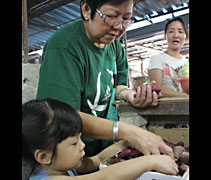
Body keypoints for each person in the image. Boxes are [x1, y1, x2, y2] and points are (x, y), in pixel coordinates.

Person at [36, 0, 173, 158]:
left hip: (101, 149)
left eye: (126, 19)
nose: (119, 26)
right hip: (69, 156)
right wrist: (130, 132)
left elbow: (119, 85)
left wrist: (129, 95)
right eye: (111, 16)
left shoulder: (114, 46)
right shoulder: (64, 46)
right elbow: (63, 117)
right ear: (87, 9)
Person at [22, 98, 179, 180]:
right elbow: (103, 177)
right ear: (43, 156)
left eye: (80, 138)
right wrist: (150, 162)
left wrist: (122, 145)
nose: (82, 146)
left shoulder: (62, 166)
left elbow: (96, 161)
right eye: (74, 143)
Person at [147, 17, 189, 97]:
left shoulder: (186, 62)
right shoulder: (157, 59)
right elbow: (157, 88)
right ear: (165, 36)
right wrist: (184, 96)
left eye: (180, 31)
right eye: (171, 31)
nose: (176, 35)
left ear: (186, 37)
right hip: (167, 108)